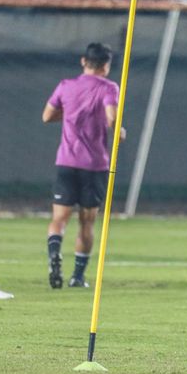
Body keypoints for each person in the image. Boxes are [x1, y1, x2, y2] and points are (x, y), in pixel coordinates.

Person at [42, 42, 125, 289]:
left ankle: (54, 253)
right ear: (106, 66)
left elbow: (46, 116)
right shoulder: (109, 87)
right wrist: (118, 129)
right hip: (94, 164)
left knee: (59, 218)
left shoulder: (66, 86)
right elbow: (111, 118)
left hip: (66, 161)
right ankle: (77, 276)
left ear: (83, 61)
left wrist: (68, 115)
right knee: (86, 222)